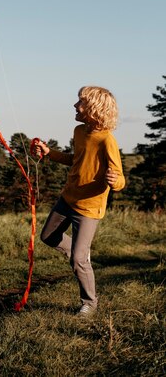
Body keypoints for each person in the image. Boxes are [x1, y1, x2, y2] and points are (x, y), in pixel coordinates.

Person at [31, 86, 125, 317]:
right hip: (67, 198)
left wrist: (115, 180)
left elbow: (120, 177)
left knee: (78, 259)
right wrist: (49, 152)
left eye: (80, 102)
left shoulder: (107, 140)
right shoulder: (79, 131)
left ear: (94, 109)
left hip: (89, 207)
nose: (75, 106)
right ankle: (79, 253)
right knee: (47, 236)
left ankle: (89, 303)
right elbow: (75, 160)